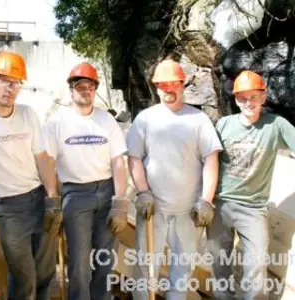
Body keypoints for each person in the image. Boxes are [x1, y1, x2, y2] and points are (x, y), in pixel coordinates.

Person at [0, 51, 60, 300]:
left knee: (46, 272)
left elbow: (42, 157)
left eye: (16, 83)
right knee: (24, 276)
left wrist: (52, 198)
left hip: (37, 200)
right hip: (5, 209)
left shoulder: (28, 114)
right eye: (5, 81)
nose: (11, 89)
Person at [126, 59, 222, 300]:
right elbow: (134, 158)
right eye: (162, 85)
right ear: (156, 88)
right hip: (153, 210)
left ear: (182, 85)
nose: (168, 90)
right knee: (146, 270)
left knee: (182, 273)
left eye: (173, 84)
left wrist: (206, 201)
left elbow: (211, 159)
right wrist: (143, 192)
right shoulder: (145, 119)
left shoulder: (198, 119)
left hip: (188, 212)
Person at [207, 70, 295, 300]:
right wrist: (204, 199)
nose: (248, 103)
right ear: (236, 100)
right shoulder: (224, 125)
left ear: (263, 97)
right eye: (242, 98)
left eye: (253, 97)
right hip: (221, 204)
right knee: (219, 263)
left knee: (255, 266)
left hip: (254, 209)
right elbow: (208, 162)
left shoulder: (276, 125)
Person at [44, 62, 128, 300]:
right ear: (71, 89)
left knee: (105, 257)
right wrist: (53, 198)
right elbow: (48, 162)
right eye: (80, 86)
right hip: (75, 194)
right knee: (80, 261)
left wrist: (120, 201)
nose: (85, 90)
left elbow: (118, 162)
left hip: (106, 191)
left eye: (90, 86)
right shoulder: (57, 123)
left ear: (95, 90)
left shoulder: (107, 121)